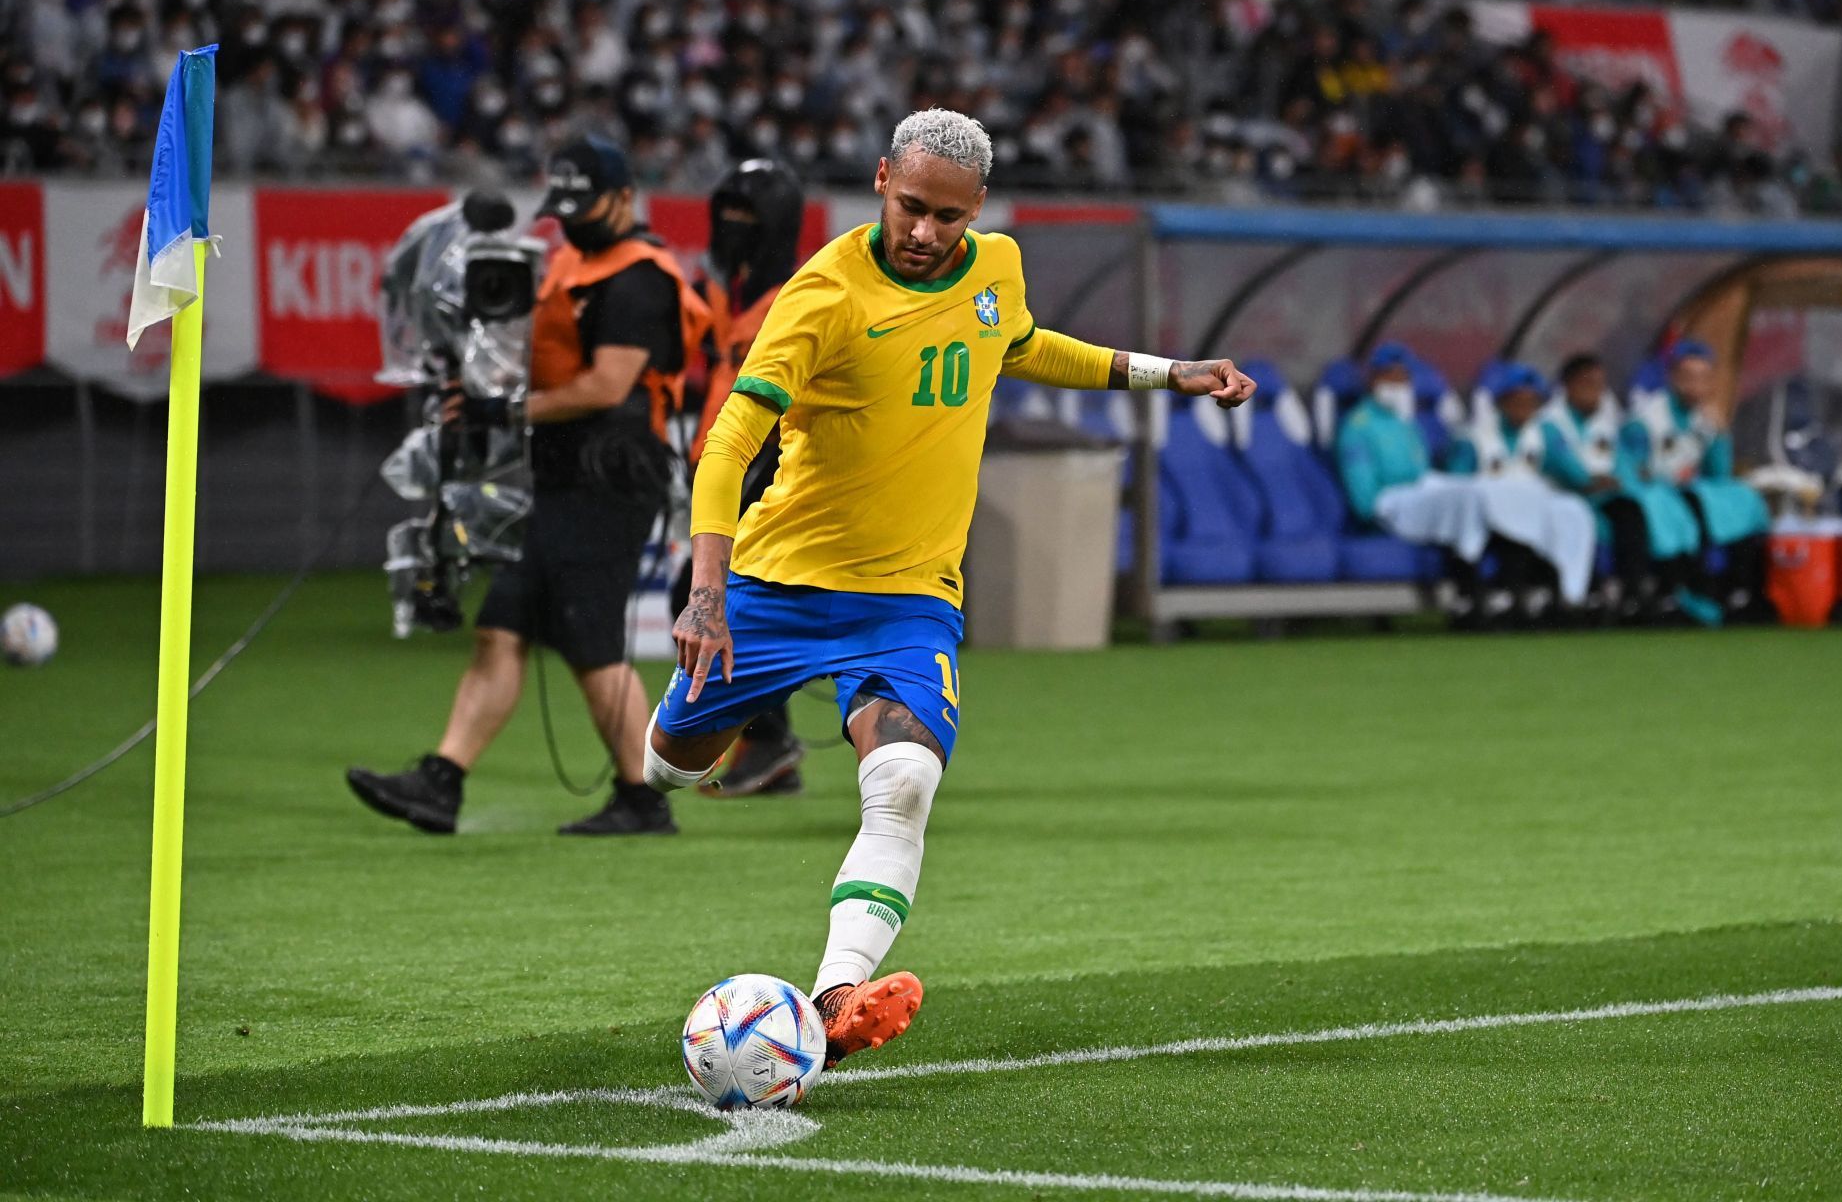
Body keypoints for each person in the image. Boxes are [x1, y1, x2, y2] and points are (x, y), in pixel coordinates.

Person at [641, 109, 1254, 1067]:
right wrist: (706, 593)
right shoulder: (821, 296)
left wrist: (1164, 372)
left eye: (950, 220)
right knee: (673, 764)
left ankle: (836, 995)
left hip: (908, 597)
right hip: (776, 585)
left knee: (905, 782)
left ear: (977, 214)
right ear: (882, 179)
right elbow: (731, 438)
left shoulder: (995, 266)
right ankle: (683, 737)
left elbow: (1023, 346)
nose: (927, 234)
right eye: (912, 208)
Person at [347, 136, 711, 836]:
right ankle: (443, 779)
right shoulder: (569, 262)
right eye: (563, 206)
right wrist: (483, 392)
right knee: (501, 628)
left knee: (592, 644)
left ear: (624, 198)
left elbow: (607, 385)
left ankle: (643, 797)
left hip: (610, 481)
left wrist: (504, 410)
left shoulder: (640, 277)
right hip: (560, 478)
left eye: (584, 205)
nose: (571, 220)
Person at [676, 158, 811, 798]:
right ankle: (768, 743)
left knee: (716, 591)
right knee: (728, 595)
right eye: (725, 215)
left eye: (746, 218)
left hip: (774, 469)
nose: (732, 228)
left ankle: (768, 737)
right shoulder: (727, 289)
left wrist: (755, 468)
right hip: (724, 460)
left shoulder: (795, 295)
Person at [1337, 344, 1551, 625]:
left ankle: (1508, 592)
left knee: (1483, 492)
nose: (1398, 385)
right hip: (1390, 503)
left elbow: (1422, 472)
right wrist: (1372, 512)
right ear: (1373, 380)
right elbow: (1365, 496)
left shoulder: (1405, 422)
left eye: (1403, 379)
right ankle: (1469, 596)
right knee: (1466, 501)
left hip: (1423, 493)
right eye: (1391, 378)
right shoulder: (1358, 426)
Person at [1540, 353, 1709, 623]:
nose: (1595, 393)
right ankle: (1632, 592)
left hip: (1605, 496)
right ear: (1568, 385)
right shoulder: (1550, 423)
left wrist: (1628, 477)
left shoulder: (1604, 421)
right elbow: (1563, 464)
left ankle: (1667, 591)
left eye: (1599, 385)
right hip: (1566, 499)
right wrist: (1592, 481)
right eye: (1587, 385)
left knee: (1652, 506)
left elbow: (1623, 462)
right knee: (1628, 512)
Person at [1621, 340, 1771, 620]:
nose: (1695, 386)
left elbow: (1719, 473)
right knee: (1685, 505)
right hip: (1657, 495)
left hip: (1690, 491)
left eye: (1703, 378)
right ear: (1672, 378)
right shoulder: (1646, 420)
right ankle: (1686, 590)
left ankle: (1742, 589)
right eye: (1688, 377)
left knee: (1742, 497)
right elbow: (1633, 470)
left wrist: (1720, 433)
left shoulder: (1704, 420)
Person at [1444, 363, 1596, 621]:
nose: (1524, 410)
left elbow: (1573, 472)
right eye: (1517, 402)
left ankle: (1566, 598)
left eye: (1531, 403)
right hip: (1486, 521)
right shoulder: (1474, 439)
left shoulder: (1543, 435)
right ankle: (1492, 599)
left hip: (1530, 518)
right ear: (1501, 403)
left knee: (1566, 518)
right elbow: (1456, 486)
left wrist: (1594, 481)